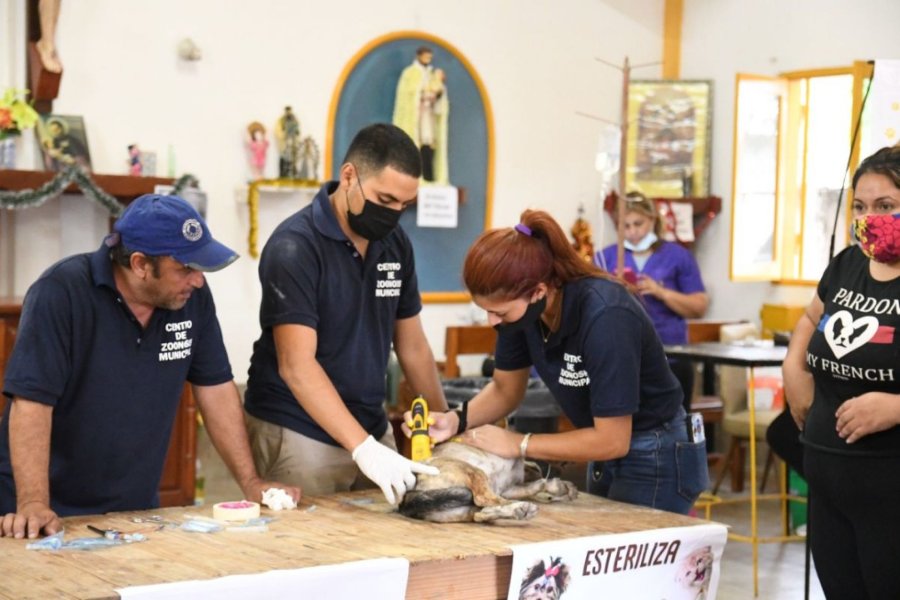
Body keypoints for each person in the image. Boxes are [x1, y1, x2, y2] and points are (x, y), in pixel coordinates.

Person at [0, 194, 300, 539]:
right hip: (43, 513)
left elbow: (216, 389)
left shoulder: (192, 300)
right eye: (185, 268)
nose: (198, 280)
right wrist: (33, 503)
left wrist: (251, 481)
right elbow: (32, 403)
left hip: (134, 509)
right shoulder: (60, 293)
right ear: (141, 264)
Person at [419, 209, 708, 515]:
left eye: (499, 312)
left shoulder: (606, 316)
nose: (492, 321)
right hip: (602, 445)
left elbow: (613, 440)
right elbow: (505, 389)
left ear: (539, 291)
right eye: (486, 311)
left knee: (631, 544)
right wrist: (456, 420)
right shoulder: (522, 316)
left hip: (655, 451)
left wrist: (518, 443)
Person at [243, 123, 447, 506]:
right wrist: (363, 449)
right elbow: (296, 366)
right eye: (385, 199)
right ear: (349, 176)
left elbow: (413, 346)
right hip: (299, 428)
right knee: (307, 541)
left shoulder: (394, 244)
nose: (393, 215)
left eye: (404, 205)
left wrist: (445, 423)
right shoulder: (295, 247)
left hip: (369, 425)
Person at [782, 144, 900, 598]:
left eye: (885, 206)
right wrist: (794, 366)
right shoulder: (848, 264)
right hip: (828, 482)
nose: (870, 219)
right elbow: (811, 318)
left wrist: (895, 407)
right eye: (860, 207)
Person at [594, 192, 708, 412]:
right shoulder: (606, 258)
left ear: (653, 220)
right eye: (625, 226)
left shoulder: (678, 256)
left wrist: (661, 292)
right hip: (621, 356)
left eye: (638, 224)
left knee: (674, 419)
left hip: (672, 355)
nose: (632, 232)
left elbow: (699, 307)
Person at [392, 46, 449, 184]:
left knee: (428, 144)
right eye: (426, 56)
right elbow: (405, 96)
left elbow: (439, 92)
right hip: (415, 116)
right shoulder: (409, 73)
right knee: (415, 144)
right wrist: (420, 93)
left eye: (430, 57)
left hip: (428, 114)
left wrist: (438, 92)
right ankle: (414, 175)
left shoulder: (432, 74)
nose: (428, 59)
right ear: (419, 56)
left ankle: (429, 176)